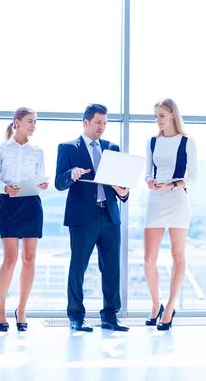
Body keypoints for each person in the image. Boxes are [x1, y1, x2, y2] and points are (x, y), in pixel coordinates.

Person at [55, 103, 130, 332]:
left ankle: (110, 316)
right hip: (82, 217)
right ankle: (76, 316)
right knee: (78, 267)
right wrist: (71, 174)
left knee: (111, 268)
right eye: (98, 122)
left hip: (109, 214)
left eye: (105, 123)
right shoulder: (68, 148)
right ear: (85, 122)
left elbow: (122, 184)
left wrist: (124, 192)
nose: (102, 127)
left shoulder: (112, 148)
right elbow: (59, 182)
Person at [0, 107, 48, 332]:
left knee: (29, 258)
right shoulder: (0, 149)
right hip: (9, 204)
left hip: (32, 204)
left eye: (35, 122)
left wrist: (42, 185)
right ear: (17, 122)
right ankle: (1, 308)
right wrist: (5, 188)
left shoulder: (38, 151)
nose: (33, 125)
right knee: (10, 259)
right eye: (30, 121)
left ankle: (22, 310)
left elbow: (40, 180)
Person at [143, 98, 198, 330]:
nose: (158, 120)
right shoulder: (152, 142)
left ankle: (171, 305)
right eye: (155, 116)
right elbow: (147, 172)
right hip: (156, 200)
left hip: (177, 199)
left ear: (173, 115)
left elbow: (193, 178)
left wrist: (172, 185)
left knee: (178, 255)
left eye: (161, 116)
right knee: (148, 259)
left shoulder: (187, 142)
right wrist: (150, 181)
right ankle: (156, 304)